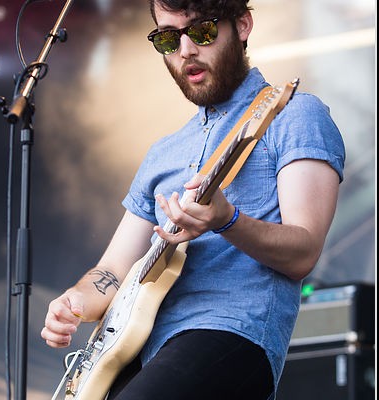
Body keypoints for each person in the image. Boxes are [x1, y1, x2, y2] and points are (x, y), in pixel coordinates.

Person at [41, 0, 345, 399]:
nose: (185, 50)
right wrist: (75, 301)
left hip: (230, 332)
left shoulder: (293, 115)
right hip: (140, 349)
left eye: (202, 31)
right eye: (168, 38)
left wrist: (226, 220)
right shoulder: (162, 153)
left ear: (242, 25)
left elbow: (304, 251)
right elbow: (113, 271)